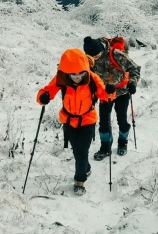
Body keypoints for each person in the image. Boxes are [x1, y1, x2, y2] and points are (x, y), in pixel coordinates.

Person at [36, 48, 115, 196]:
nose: (78, 77)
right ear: (67, 72)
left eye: (81, 74)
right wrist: (43, 97)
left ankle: (80, 181)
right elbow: (46, 91)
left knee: (81, 150)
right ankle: (86, 167)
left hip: (88, 119)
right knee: (77, 150)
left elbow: (105, 95)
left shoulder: (92, 78)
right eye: (74, 74)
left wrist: (110, 91)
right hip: (68, 120)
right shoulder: (61, 78)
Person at [83, 36, 141, 158]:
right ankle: (105, 148)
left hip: (122, 92)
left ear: (101, 50)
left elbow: (135, 68)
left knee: (122, 120)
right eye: (92, 57)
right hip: (105, 94)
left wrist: (133, 82)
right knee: (103, 122)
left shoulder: (116, 55)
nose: (95, 58)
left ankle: (123, 143)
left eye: (97, 55)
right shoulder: (88, 60)